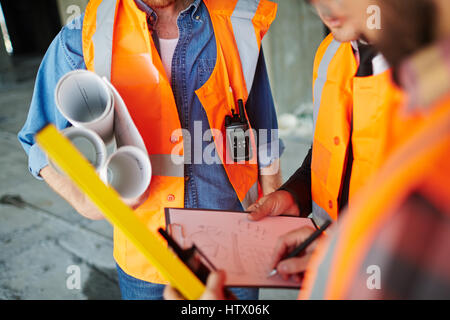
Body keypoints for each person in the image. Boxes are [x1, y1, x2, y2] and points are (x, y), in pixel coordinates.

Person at [165, 0, 450, 300]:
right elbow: (329, 149)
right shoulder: (331, 54)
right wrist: (297, 197)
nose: (323, 8)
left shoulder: (431, 158)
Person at [17, 0, 283, 300]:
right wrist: (84, 202)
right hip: (147, 255)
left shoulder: (235, 20)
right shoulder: (85, 34)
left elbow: (262, 126)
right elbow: (39, 138)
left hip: (235, 242)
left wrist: (273, 202)